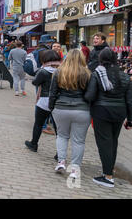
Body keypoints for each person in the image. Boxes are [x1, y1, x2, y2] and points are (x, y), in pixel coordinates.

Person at [84, 48, 132, 188]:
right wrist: (130, 119)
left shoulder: (97, 74)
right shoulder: (124, 76)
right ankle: (110, 169)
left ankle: (108, 176)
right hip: (119, 113)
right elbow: (130, 100)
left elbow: (90, 95)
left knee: (104, 143)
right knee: (113, 141)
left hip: (101, 112)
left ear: (101, 59)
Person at [49, 49, 92, 179]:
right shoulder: (88, 74)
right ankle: (74, 169)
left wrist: (51, 108)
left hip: (61, 108)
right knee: (78, 141)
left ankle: (61, 162)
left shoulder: (59, 72)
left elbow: (52, 92)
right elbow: (90, 94)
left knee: (62, 136)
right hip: (82, 110)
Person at [25, 50, 62, 153]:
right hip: (58, 101)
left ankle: (34, 144)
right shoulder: (63, 70)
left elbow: (35, 82)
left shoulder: (43, 71)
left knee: (38, 124)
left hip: (44, 100)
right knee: (58, 128)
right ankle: (59, 153)